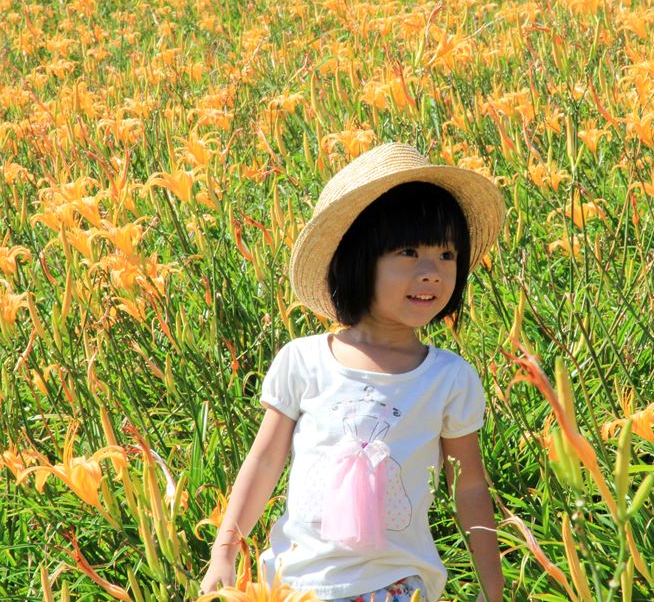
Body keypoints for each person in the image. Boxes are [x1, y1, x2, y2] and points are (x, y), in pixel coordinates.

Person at [200, 142, 506, 602]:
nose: (432, 272)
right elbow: (263, 462)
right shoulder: (303, 361)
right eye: (408, 251)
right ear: (358, 260)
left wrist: (493, 588)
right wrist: (225, 550)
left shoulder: (448, 377)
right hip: (291, 584)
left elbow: (470, 486)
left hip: (397, 586)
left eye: (446, 255)